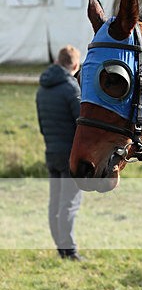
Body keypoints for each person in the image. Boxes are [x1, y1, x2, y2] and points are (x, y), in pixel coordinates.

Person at [36, 45, 84, 260]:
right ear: (75, 65)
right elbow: (82, 124)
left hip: (51, 151)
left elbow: (41, 125)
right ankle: (69, 250)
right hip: (69, 153)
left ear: (58, 61)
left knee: (55, 202)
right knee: (69, 203)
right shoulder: (71, 89)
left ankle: (60, 246)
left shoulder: (42, 88)